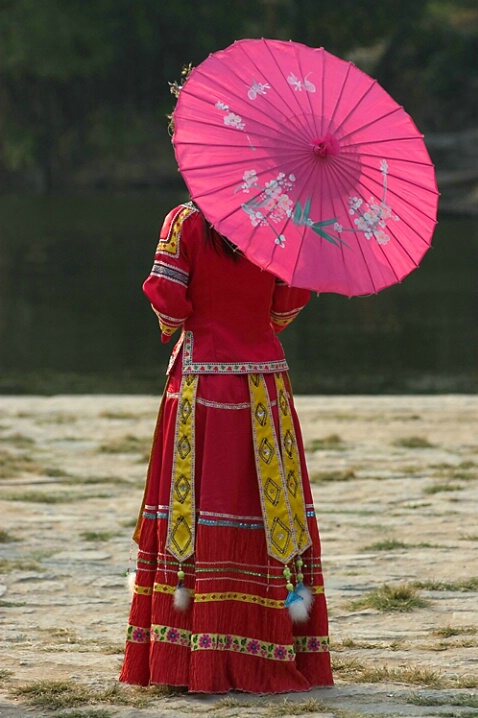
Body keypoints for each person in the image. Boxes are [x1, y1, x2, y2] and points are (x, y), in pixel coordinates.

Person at [119, 200, 333, 693]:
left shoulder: (183, 221)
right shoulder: (283, 219)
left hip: (201, 385)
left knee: (193, 513)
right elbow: (288, 301)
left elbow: (167, 297)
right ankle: (269, 646)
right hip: (264, 385)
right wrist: (253, 327)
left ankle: (188, 657)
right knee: (268, 513)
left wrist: (180, 326)